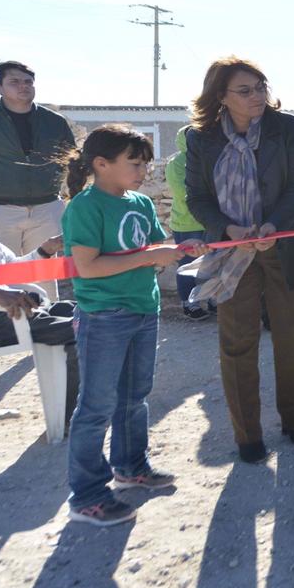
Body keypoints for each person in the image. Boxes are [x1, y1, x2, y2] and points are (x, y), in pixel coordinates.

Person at [60, 124, 207, 526]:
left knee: (134, 396)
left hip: (144, 310)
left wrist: (181, 251)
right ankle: (87, 496)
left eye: (145, 163)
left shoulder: (140, 204)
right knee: (95, 407)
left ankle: (130, 467)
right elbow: (88, 268)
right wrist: (149, 258)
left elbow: (154, 250)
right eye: (134, 163)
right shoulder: (84, 208)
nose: (143, 171)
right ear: (101, 164)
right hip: (104, 316)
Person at [185, 56, 294, 464]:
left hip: (283, 246)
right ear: (221, 97)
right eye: (244, 91)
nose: (256, 96)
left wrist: (273, 226)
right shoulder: (201, 139)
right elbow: (197, 198)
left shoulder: (289, 129)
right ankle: (247, 437)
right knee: (237, 343)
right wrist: (229, 230)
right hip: (231, 252)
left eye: (260, 86)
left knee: (292, 337)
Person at [0, 232, 79, 429]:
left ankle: (72, 415)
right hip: (1, 317)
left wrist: (44, 251)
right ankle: (72, 419)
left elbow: (12, 270)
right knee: (83, 328)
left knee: (87, 313)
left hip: (14, 311)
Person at [0, 61, 76, 259]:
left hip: (46, 208)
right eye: (14, 81)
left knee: (45, 274)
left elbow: (72, 160)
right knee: (1, 275)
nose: (23, 86)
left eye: (28, 82)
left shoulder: (55, 122)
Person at [166, 126, 212, 321]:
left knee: (214, 263)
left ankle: (213, 299)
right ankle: (189, 304)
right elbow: (182, 193)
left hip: (210, 223)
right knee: (187, 265)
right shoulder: (176, 163)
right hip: (186, 224)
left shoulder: (208, 159)